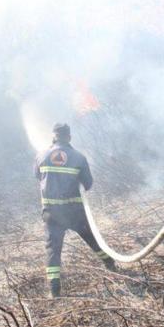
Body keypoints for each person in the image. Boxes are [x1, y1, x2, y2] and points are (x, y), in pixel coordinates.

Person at [35, 123, 116, 297]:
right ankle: (110, 263)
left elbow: (38, 177)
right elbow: (88, 184)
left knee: (53, 249)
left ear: (53, 136)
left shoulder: (41, 155)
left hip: (51, 212)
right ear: (69, 137)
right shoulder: (78, 157)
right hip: (74, 211)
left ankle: (54, 290)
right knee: (92, 238)